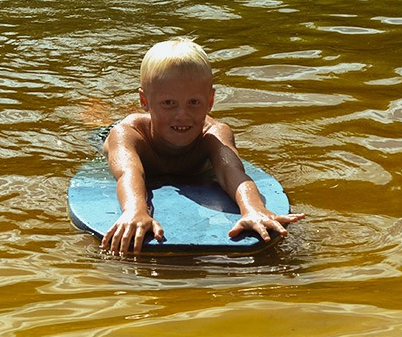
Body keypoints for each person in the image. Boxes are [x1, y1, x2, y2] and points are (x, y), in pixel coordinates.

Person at [100, 38, 306, 255]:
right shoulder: (128, 134)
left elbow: (232, 172)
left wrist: (254, 208)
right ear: (144, 101)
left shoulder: (214, 133)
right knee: (100, 120)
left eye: (194, 102)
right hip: (109, 135)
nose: (182, 115)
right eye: (168, 103)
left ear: (210, 101)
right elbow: (129, 173)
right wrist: (135, 210)